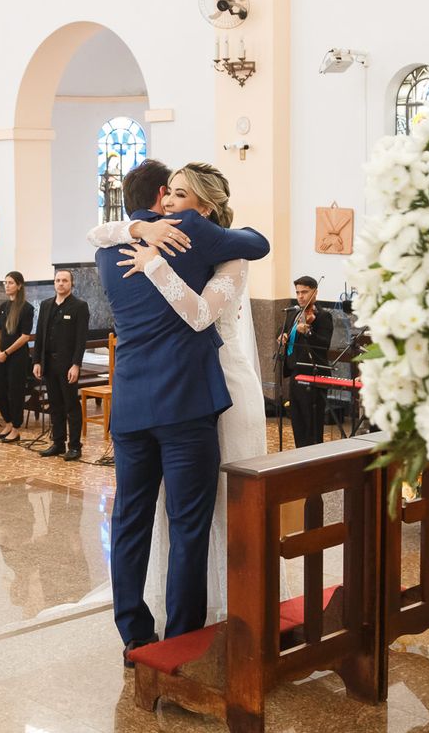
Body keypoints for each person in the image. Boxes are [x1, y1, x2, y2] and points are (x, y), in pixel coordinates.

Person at [93, 158, 270, 656]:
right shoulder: (191, 232)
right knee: (189, 525)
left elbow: (99, 232)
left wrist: (132, 229)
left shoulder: (107, 251)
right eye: (168, 192)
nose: (172, 201)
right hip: (185, 404)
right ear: (159, 199)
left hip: (131, 404)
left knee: (130, 520)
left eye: (179, 192)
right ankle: (182, 640)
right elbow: (257, 242)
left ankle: (134, 634)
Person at [33, 269, 90, 460]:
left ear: (71, 283)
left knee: (70, 404)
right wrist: (37, 361)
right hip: (49, 363)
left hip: (67, 365)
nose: (61, 283)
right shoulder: (46, 304)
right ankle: (58, 442)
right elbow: (40, 335)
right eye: (57, 280)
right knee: (55, 404)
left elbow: (81, 339)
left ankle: (74, 446)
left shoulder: (79, 306)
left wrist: (76, 364)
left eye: (65, 280)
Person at [279, 275, 336, 448]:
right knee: (298, 422)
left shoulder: (323, 316)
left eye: (304, 292)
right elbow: (285, 332)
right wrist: (283, 336)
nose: (300, 296)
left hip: (314, 375)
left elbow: (324, 344)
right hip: (295, 373)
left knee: (312, 424)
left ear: (315, 293)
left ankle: (314, 457)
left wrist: (308, 332)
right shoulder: (293, 314)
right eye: (297, 292)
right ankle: (300, 455)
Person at [0, 273, 34, 444]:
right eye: (5, 282)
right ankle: (7, 423)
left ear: (19, 285)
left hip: (17, 356)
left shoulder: (27, 308)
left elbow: (25, 337)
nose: (7, 285)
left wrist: (6, 353)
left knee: (15, 392)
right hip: (1, 355)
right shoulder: (3, 306)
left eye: (11, 283)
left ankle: (16, 427)